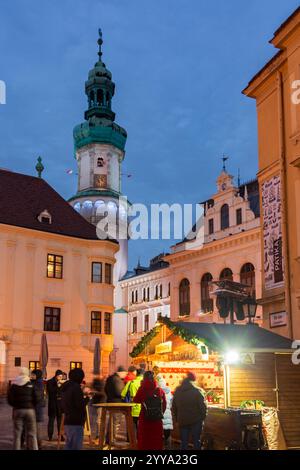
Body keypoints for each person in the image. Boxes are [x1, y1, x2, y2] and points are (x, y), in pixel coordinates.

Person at [7, 367, 42, 450]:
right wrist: (32, 405)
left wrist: (16, 405)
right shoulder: (31, 384)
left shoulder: (14, 384)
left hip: (18, 410)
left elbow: (9, 399)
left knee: (17, 433)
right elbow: (37, 398)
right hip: (30, 410)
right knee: (32, 433)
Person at [172, 372, 207, 450]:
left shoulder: (177, 391)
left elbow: (174, 407)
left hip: (182, 420)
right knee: (196, 441)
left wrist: (177, 419)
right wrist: (202, 418)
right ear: (193, 381)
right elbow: (203, 407)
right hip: (196, 421)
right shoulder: (197, 391)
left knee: (184, 442)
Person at [134, 370, 166, 450]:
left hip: (145, 419)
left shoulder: (142, 389)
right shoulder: (159, 390)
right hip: (157, 420)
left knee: (145, 439)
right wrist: (158, 413)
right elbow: (164, 404)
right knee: (156, 439)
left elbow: (136, 400)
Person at [60, 368, 88, 450]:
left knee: (69, 445)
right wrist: (87, 398)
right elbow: (79, 405)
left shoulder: (65, 386)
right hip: (76, 421)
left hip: (68, 420)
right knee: (76, 446)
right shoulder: (75, 388)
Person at [105, 366, 126, 440]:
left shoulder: (110, 378)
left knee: (112, 421)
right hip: (116, 403)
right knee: (115, 421)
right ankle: (111, 438)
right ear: (122, 373)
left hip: (110, 401)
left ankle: (109, 438)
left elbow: (105, 389)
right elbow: (119, 392)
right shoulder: (117, 380)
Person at [46, 369, 64, 441]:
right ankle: (50, 436)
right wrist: (58, 386)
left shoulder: (62, 382)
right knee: (51, 421)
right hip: (52, 404)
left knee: (60, 421)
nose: (60, 378)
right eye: (59, 376)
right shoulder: (50, 382)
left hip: (60, 404)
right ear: (56, 376)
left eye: (61, 376)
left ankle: (61, 436)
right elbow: (50, 392)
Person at [31, 369, 46, 449]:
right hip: (37, 408)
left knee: (37, 428)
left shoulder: (38, 383)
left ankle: (38, 444)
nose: (31, 376)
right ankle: (37, 443)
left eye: (33, 375)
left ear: (37, 375)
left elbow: (37, 397)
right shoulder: (37, 382)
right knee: (36, 427)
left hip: (37, 409)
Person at [157, 376, 173, 449]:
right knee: (168, 435)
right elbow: (172, 403)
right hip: (168, 416)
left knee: (159, 436)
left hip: (159, 416)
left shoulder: (157, 392)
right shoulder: (169, 393)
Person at [89, 375, 107, 441]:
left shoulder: (101, 383)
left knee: (98, 421)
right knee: (96, 421)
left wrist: (94, 392)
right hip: (96, 403)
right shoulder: (95, 383)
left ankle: (99, 436)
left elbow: (103, 393)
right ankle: (98, 435)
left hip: (100, 403)